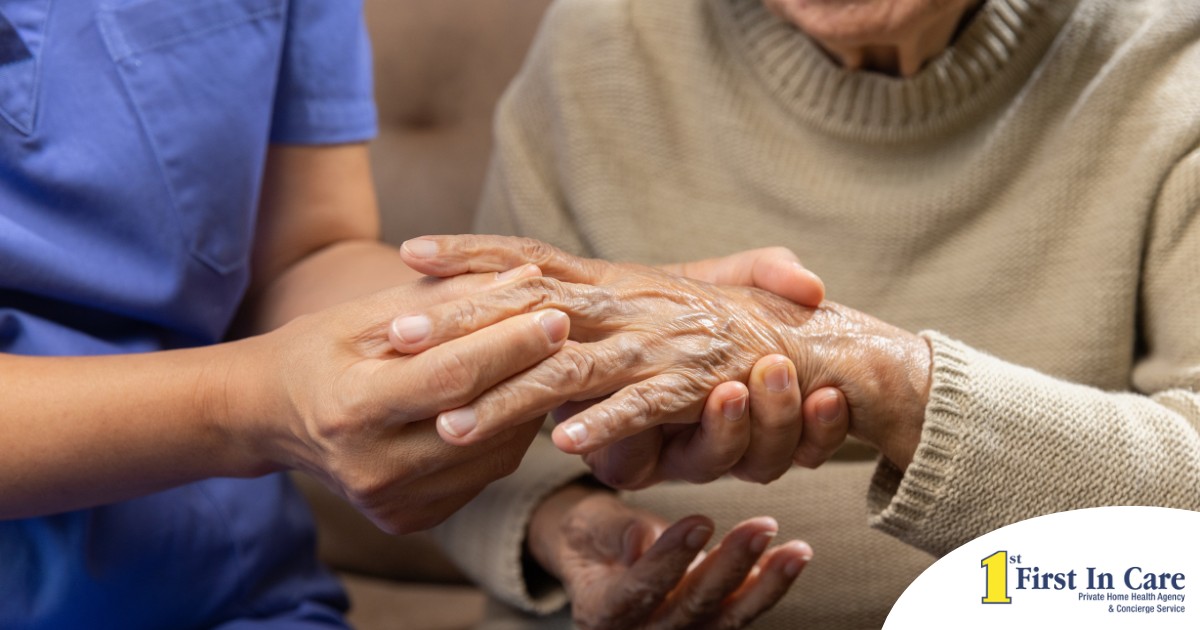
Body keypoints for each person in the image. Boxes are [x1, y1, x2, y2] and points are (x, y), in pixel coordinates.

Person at [0, 2, 824, 627]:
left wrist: (580, 307)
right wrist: (250, 406)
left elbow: (301, 257)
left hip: (239, 594)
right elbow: (263, 389)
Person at [396, 0, 1200, 627]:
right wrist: (565, 530)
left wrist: (884, 377)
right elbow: (466, 430)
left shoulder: (1169, 58)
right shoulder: (598, 44)